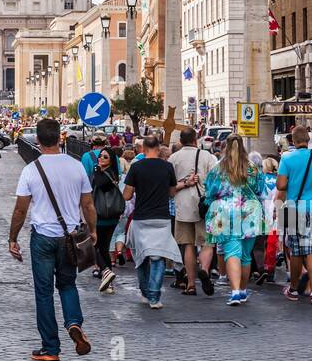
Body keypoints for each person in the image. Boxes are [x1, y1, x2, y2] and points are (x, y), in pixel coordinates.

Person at [8, 118, 95, 361]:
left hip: (43, 237)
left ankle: (51, 348)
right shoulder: (76, 166)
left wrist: (12, 238)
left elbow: (20, 210)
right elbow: (87, 204)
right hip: (70, 237)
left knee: (44, 292)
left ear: (37, 140)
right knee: (67, 284)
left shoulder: (30, 170)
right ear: (61, 138)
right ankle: (74, 323)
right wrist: (93, 230)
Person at [202, 135, 268, 306]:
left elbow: (209, 191)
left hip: (225, 212)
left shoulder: (219, 168)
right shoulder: (253, 167)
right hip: (250, 212)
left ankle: (235, 291)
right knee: (246, 256)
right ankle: (243, 290)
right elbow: (261, 191)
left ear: (225, 147)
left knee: (232, 252)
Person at [276, 125, 312, 305]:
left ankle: (293, 289)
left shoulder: (286, 158)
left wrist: (293, 180)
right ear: (308, 141)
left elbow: (280, 185)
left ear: (292, 140)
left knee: (296, 251)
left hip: (293, 208)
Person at [122, 134, 179, 309]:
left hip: (141, 217)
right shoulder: (168, 167)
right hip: (162, 217)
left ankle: (145, 292)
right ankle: (155, 297)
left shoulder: (136, 167)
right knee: (158, 257)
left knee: (141, 257)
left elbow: (127, 195)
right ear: (159, 147)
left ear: (143, 149)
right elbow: (172, 192)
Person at [167, 126, 217, 297]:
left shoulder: (173, 158)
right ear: (196, 140)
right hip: (203, 205)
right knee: (206, 242)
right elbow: (214, 181)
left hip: (182, 206)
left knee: (187, 244)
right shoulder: (207, 156)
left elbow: (169, 187)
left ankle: (190, 284)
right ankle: (204, 268)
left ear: (180, 141)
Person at [89, 147, 124, 292]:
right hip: (109, 217)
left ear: (111, 161)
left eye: (105, 157)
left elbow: (101, 184)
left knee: (93, 247)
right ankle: (108, 282)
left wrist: (97, 169)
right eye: (100, 156)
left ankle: (105, 271)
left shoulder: (109, 173)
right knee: (103, 248)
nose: (101, 159)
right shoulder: (108, 173)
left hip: (103, 217)